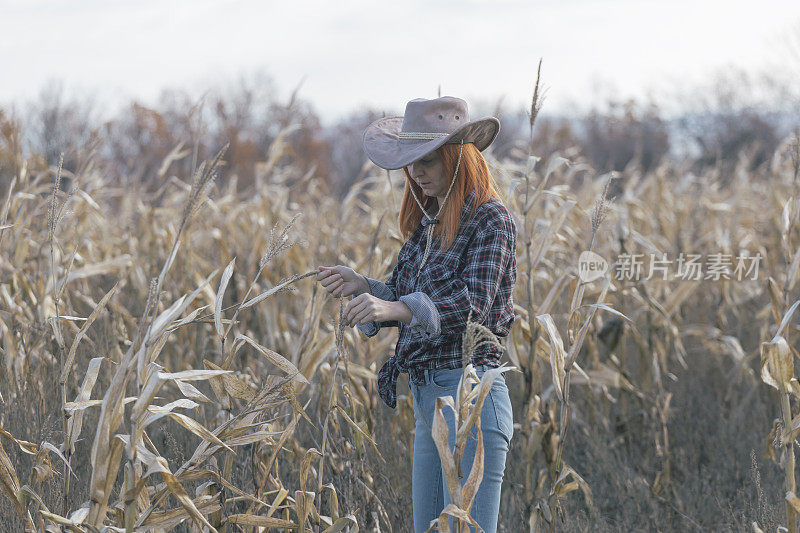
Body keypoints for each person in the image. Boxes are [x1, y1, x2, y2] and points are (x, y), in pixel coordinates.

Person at [316, 96, 516, 533]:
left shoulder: (490, 219)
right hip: (428, 401)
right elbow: (408, 300)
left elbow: (471, 303)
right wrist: (366, 287)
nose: (417, 172)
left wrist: (393, 306)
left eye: (427, 160)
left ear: (456, 158)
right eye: (411, 162)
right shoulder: (429, 223)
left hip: (470, 397)